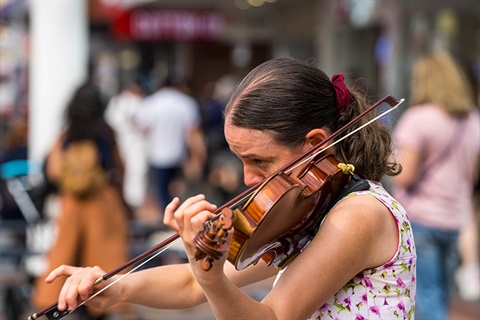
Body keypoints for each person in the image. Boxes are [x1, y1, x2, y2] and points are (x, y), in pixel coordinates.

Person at [41, 58, 416, 319]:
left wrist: (210, 275)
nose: (247, 179)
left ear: (314, 142)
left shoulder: (357, 215)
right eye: (240, 160)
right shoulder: (314, 208)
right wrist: (112, 286)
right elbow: (190, 284)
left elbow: (272, 316)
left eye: (260, 161)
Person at [32, 82, 133, 319]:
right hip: (103, 203)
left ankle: (61, 302)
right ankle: (101, 305)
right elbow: (118, 169)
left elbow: (53, 171)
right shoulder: (106, 134)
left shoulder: (67, 135)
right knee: (104, 264)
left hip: (71, 204)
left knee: (67, 257)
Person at [391, 51, 480, 319]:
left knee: (427, 298)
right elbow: (471, 176)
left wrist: (388, 160)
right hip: (456, 221)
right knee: (441, 294)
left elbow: (405, 175)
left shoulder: (419, 118)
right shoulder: (472, 120)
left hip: (422, 219)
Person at [134, 77, 206, 212]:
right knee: (179, 191)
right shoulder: (186, 103)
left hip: (158, 155)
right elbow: (193, 134)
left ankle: (167, 217)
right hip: (179, 155)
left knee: (161, 191)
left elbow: (143, 129)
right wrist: (197, 158)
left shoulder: (151, 103)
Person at [105, 78, 147, 215]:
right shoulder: (134, 102)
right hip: (130, 145)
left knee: (129, 174)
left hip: (126, 145)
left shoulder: (118, 102)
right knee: (133, 174)